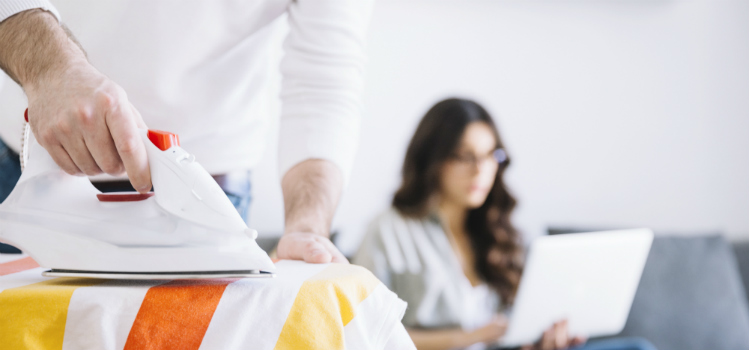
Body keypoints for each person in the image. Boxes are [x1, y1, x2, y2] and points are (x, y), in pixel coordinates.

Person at [0, 0, 373, 263]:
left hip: (214, 173)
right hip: (34, 150)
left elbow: (324, 82)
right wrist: (51, 68)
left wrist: (308, 227)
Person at [353, 98, 658, 350]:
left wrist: (539, 343)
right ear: (433, 159)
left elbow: (512, 332)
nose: (481, 170)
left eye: (490, 156)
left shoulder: (495, 230)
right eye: (465, 156)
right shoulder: (389, 230)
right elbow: (364, 334)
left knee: (637, 349)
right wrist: (468, 337)